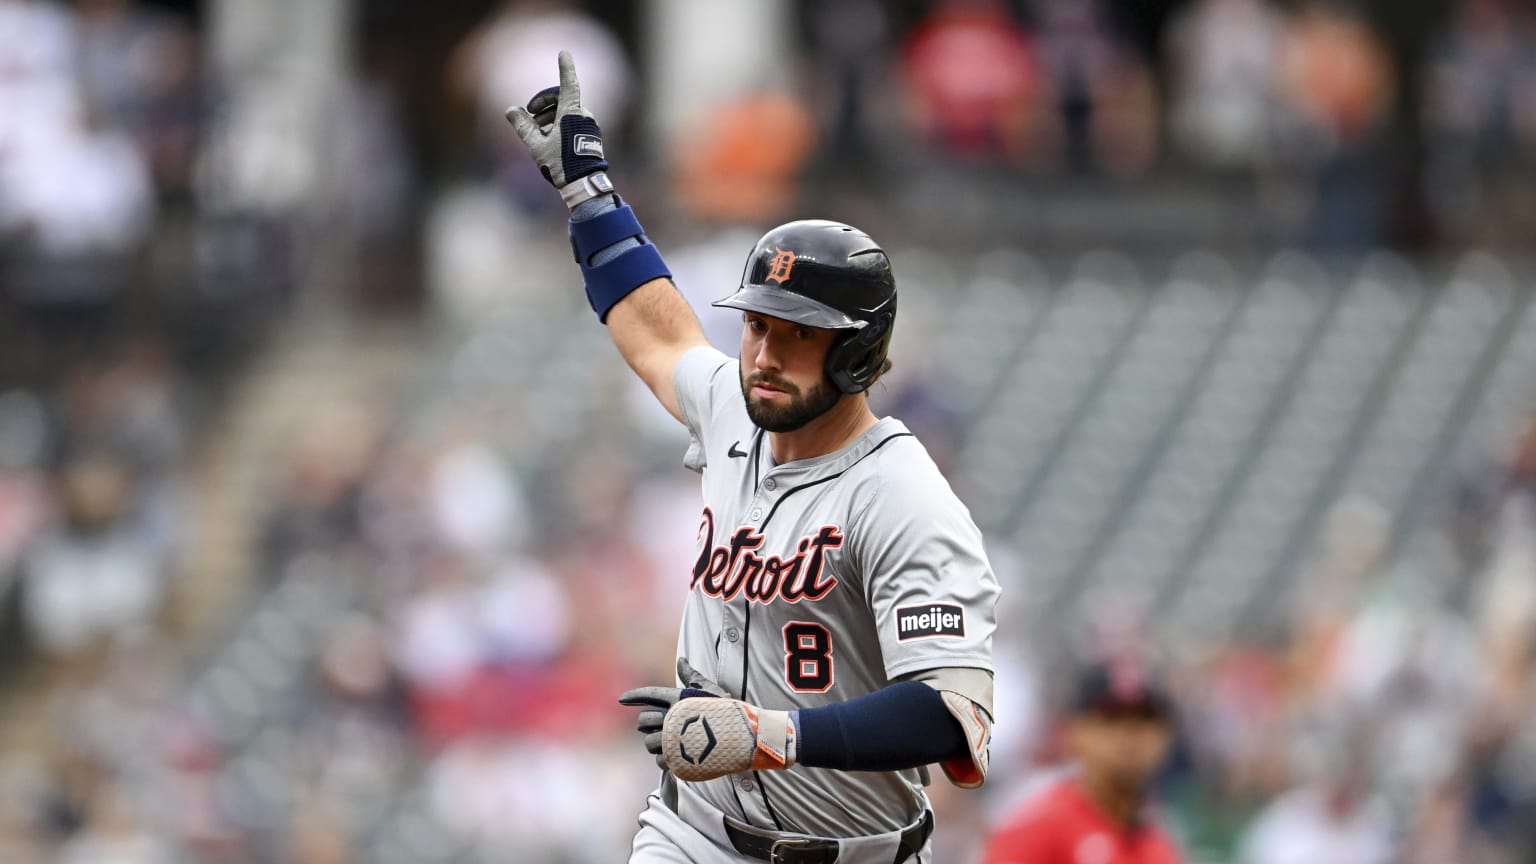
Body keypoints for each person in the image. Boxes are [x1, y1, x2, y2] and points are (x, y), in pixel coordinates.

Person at [505, 52, 1000, 863]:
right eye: (757, 325)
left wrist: (769, 734)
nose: (764, 353)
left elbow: (947, 713)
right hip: (692, 835)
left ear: (856, 353)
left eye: (795, 333)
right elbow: (660, 330)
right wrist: (592, 200)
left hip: (858, 849)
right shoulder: (737, 407)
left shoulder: (904, 494)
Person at [983, 660, 1182, 864]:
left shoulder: (1158, 839)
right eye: (1112, 720)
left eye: (1144, 720)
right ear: (1074, 732)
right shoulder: (1038, 828)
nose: (1130, 736)